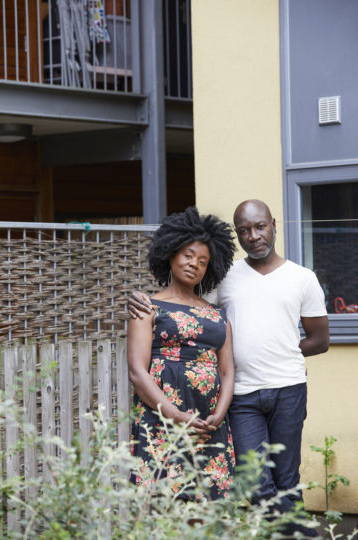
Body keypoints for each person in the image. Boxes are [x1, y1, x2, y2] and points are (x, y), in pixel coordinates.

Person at [128, 199, 329, 535]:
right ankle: (297, 533)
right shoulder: (227, 276)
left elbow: (320, 340)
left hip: (286, 387)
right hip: (242, 395)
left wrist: (280, 354)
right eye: (244, 231)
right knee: (252, 480)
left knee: (286, 478)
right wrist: (133, 296)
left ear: (274, 224)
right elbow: (183, 308)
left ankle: (289, 533)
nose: (253, 236)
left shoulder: (302, 278)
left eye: (260, 226)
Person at [128, 206, 237, 499]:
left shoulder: (217, 315)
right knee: (165, 503)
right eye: (188, 255)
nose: (194, 264)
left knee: (207, 504)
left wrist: (218, 416)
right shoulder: (146, 307)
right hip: (163, 418)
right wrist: (177, 416)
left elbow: (227, 371)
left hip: (207, 422)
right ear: (171, 254)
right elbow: (137, 372)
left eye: (203, 261)